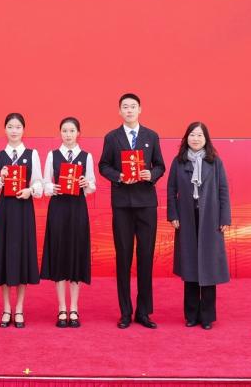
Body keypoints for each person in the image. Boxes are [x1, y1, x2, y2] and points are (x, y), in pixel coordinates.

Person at [98, 93, 166, 329]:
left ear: (140, 109)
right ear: (119, 111)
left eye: (133, 106)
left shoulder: (151, 136)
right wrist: (118, 176)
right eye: (125, 107)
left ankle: (144, 312)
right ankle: (125, 312)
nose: (129, 110)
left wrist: (151, 174)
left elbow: (160, 165)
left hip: (146, 204)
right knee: (123, 257)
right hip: (122, 205)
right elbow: (103, 165)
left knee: (146, 257)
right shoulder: (112, 137)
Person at [166, 121, 231, 330]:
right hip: (186, 217)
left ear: (206, 139)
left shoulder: (215, 162)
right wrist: (173, 214)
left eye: (200, 135)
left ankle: (207, 316)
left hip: (210, 218)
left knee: (209, 266)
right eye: (192, 135)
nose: (195, 139)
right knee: (190, 265)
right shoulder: (179, 161)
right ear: (187, 138)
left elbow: (223, 191)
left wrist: (224, 218)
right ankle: (191, 315)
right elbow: (171, 190)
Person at [0, 113, 43, 328]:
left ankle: (19, 309)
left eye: (18, 127)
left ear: (23, 129)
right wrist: (1, 177)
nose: (14, 130)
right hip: (5, 212)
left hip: (24, 210)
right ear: (5, 129)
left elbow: (39, 183)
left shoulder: (32, 154)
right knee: (5, 257)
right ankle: (6, 308)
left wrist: (30, 191)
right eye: (10, 126)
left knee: (22, 257)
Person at [41, 116, 95, 328]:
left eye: (72, 131)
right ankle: (61, 307)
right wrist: (51, 187)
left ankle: (74, 307)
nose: (68, 134)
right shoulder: (52, 155)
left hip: (78, 209)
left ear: (78, 133)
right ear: (60, 133)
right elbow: (44, 182)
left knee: (76, 254)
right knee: (60, 254)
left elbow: (92, 186)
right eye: (64, 131)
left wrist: (85, 183)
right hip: (58, 208)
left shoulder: (86, 156)